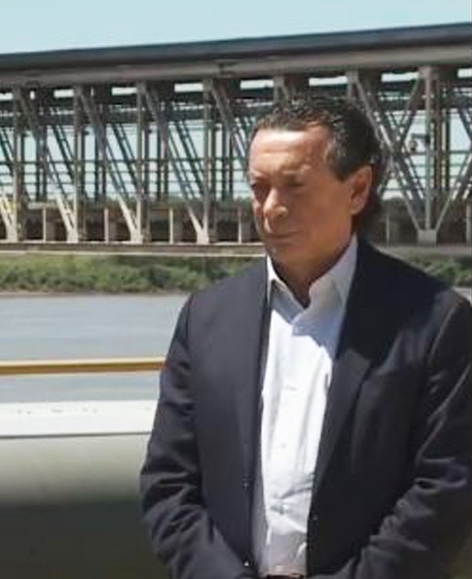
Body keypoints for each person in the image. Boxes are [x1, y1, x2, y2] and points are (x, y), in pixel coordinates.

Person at [139, 95, 471, 579]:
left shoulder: (436, 321)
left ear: (357, 189)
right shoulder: (206, 317)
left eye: (294, 186)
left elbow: (444, 490)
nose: (271, 208)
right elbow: (169, 483)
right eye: (259, 187)